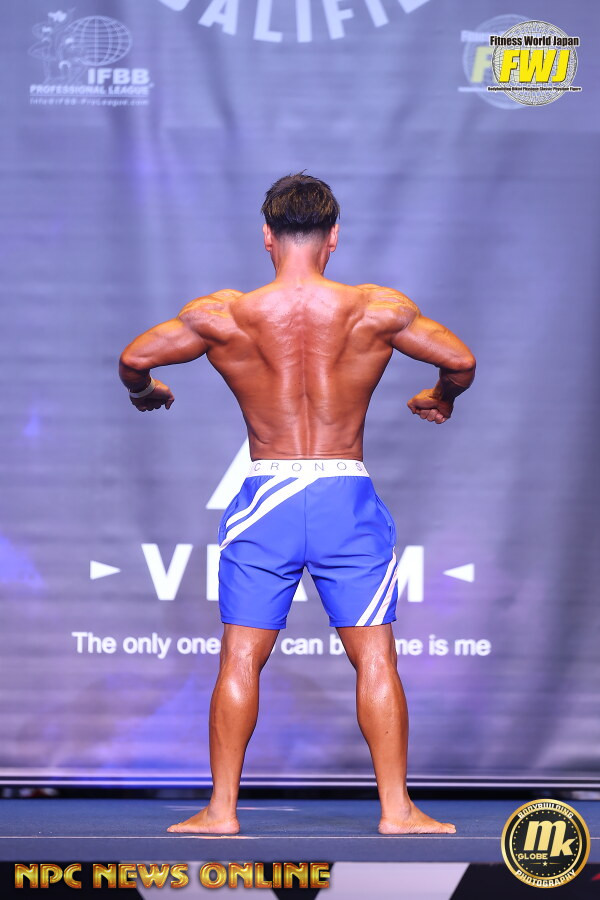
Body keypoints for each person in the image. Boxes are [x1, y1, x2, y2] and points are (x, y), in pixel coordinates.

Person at [119, 173, 476, 836]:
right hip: (345, 494)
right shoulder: (375, 309)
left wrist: (146, 394)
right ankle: (396, 811)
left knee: (240, 655)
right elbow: (460, 360)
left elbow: (134, 358)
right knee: (375, 657)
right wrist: (441, 397)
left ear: (267, 236)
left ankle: (221, 811)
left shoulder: (225, 315)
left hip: (267, 498)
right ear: (333, 236)